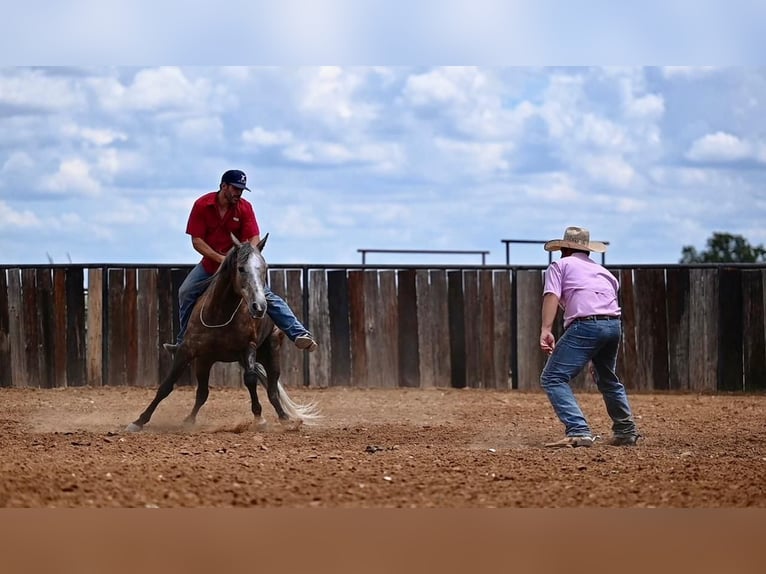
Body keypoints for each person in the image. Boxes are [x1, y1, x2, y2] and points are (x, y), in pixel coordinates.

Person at [164, 169, 317, 354]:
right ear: (223, 186)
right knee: (186, 292)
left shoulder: (245, 208)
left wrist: (246, 259)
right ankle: (184, 341)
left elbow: (254, 237)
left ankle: (299, 334)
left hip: (241, 269)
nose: (239, 193)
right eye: (236, 189)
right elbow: (197, 241)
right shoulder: (202, 205)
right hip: (211, 266)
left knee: (266, 296)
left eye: (242, 189)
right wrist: (222, 260)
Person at [538, 226, 639, 448]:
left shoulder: (560, 265)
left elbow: (552, 295)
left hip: (586, 325)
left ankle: (578, 430)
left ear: (563, 249)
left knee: (553, 377)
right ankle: (625, 431)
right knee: (607, 378)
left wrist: (546, 329)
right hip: (613, 325)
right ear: (588, 251)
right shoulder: (606, 273)